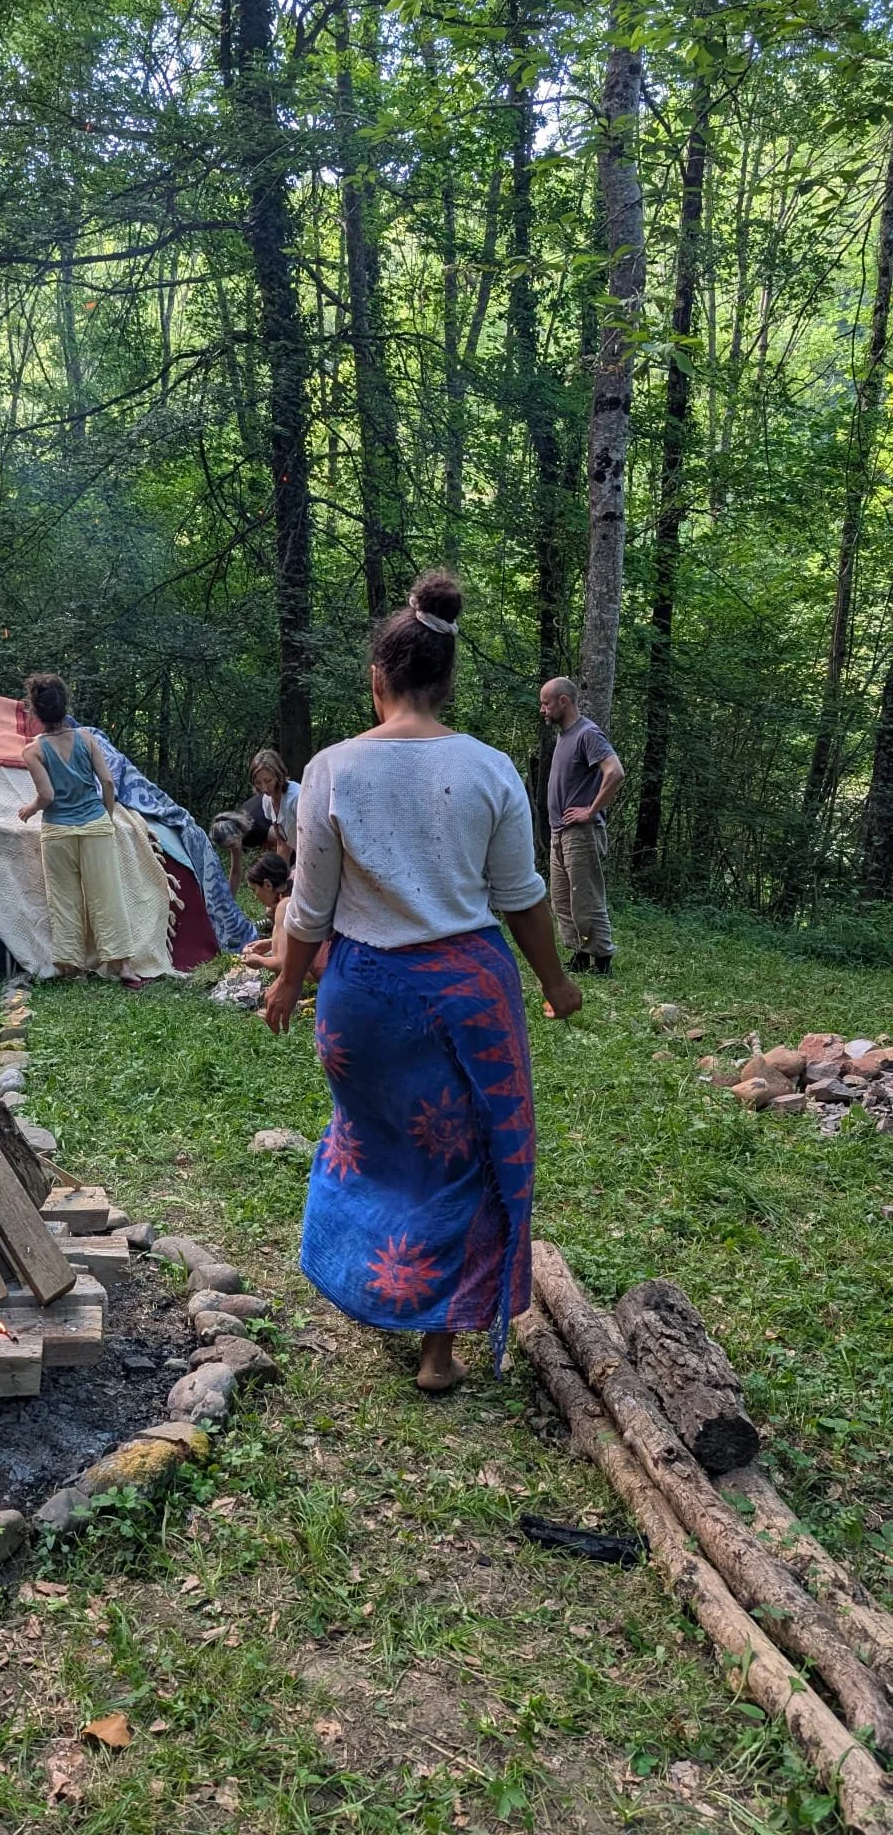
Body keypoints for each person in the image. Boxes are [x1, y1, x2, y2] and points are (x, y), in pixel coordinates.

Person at [266, 573, 581, 1396]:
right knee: (461, 1163)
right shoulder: (490, 768)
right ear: (446, 682)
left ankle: (375, 1290)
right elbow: (522, 897)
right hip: (466, 994)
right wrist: (558, 983)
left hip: (362, 999)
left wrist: (284, 989)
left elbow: (309, 907)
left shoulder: (331, 768)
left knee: (369, 1145)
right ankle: (437, 1350)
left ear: (378, 679)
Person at [18, 674, 144, 991]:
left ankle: (72, 966)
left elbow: (46, 796)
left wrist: (31, 808)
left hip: (58, 831)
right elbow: (109, 783)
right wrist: (108, 815)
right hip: (95, 825)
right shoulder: (87, 738)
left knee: (64, 899)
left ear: (35, 712)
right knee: (108, 895)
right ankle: (123, 966)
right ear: (64, 706)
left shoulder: (33, 751)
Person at [539, 675, 624, 974]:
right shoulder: (565, 735)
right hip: (559, 832)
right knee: (563, 899)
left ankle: (602, 961)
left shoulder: (588, 733)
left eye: (546, 703)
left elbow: (615, 772)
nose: (543, 710)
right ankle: (579, 955)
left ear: (564, 701)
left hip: (581, 833)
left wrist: (590, 810)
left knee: (585, 896)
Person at [250, 748, 300, 858]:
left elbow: (312, 843)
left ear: (278, 776)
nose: (264, 788)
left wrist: (297, 871)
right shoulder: (267, 801)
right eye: (258, 783)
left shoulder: (297, 798)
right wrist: (279, 873)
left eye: (268, 781)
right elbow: (282, 844)